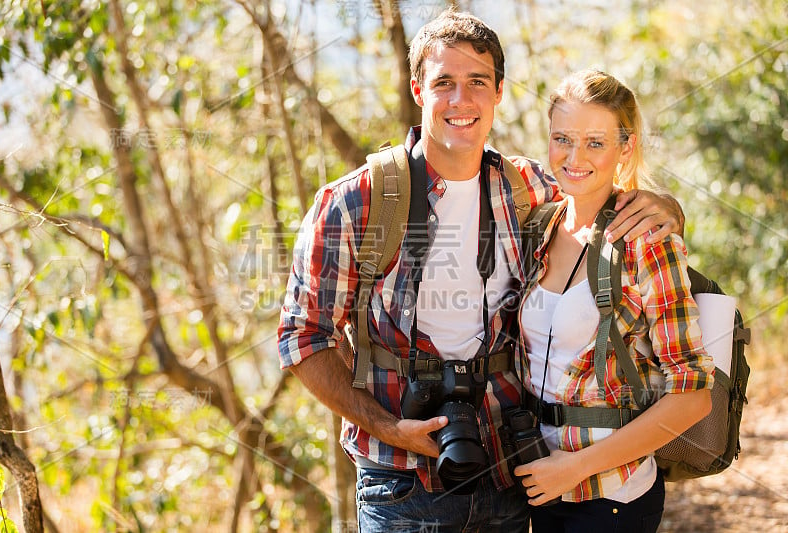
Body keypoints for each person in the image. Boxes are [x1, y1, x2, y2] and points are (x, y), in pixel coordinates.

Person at [278, 11, 683, 532]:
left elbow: (596, 191)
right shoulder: (356, 203)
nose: (460, 100)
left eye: (477, 83)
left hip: (508, 465)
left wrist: (667, 206)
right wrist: (391, 428)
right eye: (444, 82)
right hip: (400, 481)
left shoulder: (528, 188)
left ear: (498, 92)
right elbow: (303, 338)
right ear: (419, 90)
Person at [513, 69, 714, 533]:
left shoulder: (646, 240)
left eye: (595, 142)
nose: (575, 157)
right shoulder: (540, 226)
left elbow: (693, 395)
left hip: (611, 497)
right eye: (562, 138)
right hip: (536, 482)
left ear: (626, 147)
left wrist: (575, 469)